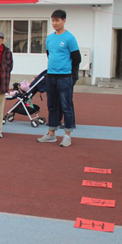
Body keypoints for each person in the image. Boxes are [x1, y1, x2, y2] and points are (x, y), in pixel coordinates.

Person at [37, 9, 81, 148]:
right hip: (51, 77)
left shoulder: (69, 38)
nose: (55, 23)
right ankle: (51, 133)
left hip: (64, 78)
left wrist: (68, 73)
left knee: (66, 106)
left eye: (57, 20)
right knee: (52, 106)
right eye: (53, 21)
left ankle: (67, 135)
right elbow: (49, 55)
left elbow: (77, 58)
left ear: (64, 20)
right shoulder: (49, 38)